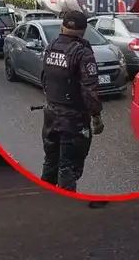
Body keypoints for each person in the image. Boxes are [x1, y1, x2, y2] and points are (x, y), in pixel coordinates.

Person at [40, 11, 105, 193]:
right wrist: (96, 117)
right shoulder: (83, 53)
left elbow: (45, 79)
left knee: (50, 161)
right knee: (68, 167)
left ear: (62, 27)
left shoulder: (51, 47)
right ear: (84, 31)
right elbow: (89, 90)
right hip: (73, 120)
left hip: (50, 115)